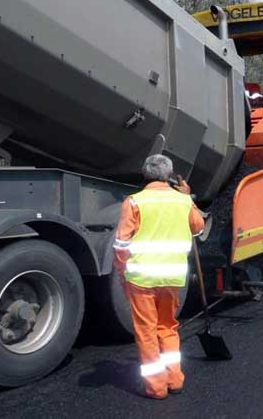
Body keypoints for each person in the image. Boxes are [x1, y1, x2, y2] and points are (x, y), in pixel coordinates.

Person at [113, 154, 205, 399]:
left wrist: (122, 272)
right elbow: (199, 228)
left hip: (142, 279)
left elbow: (121, 244)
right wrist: (188, 198)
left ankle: (156, 387)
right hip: (172, 278)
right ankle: (175, 380)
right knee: (168, 327)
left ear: (145, 174)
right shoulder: (182, 201)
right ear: (169, 175)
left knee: (146, 331)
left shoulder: (134, 202)